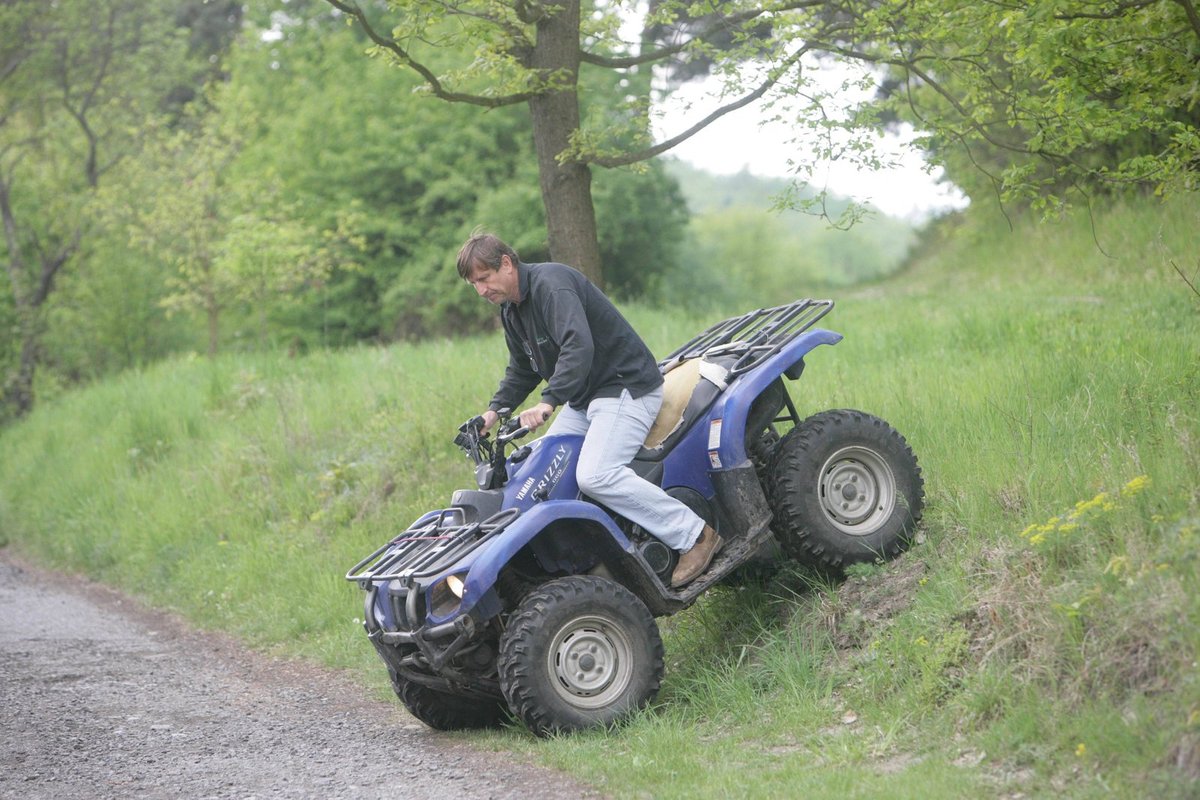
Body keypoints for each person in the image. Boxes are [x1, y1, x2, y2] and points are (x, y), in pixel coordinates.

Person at [456, 231, 722, 587]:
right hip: (586, 400)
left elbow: (577, 346)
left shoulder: (552, 286)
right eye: (474, 284)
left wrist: (548, 402)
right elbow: (521, 369)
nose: (481, 291)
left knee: (596, 475)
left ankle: (695, 535)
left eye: (484, 279)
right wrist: (494, 412)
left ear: (506, 264)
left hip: (624, 387)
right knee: (537, 468)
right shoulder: (512, 311)